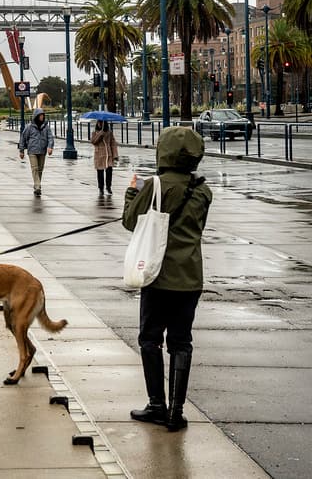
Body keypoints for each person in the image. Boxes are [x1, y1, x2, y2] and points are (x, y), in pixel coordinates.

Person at [122, 126, 213, 432]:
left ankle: (157, 405)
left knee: (150, 339)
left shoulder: (156, 185)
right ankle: (177, 411)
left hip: (157, 275)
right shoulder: (203, 191)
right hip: (190, 277)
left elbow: (130, 221)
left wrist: (132, 192)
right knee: (181, 342)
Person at [18, 108, 54, 196]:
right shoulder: (29, 127)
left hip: (42, 151)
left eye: (43, 115)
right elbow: (23, 138)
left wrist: (50, 147)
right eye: (41, 115)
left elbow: (50, 137)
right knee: (35, 168)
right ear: (37, 116)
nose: (42, 117)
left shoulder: (46, 127)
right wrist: (21, 150)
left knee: (40, 170)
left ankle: (36, 185)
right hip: (32, 151)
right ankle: (38, 186)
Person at [89, 119, 119, 196]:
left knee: (109, 171)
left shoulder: (109, 132)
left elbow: (113, 144)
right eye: (98, 122)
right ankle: (101, 188)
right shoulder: (94, 132)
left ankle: (108, 187)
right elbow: (93, 141)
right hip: (99, 155)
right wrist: (100, 134)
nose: (99, 124)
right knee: (100, 173)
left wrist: (115, 155)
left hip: (108, 155)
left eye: (101, 122)